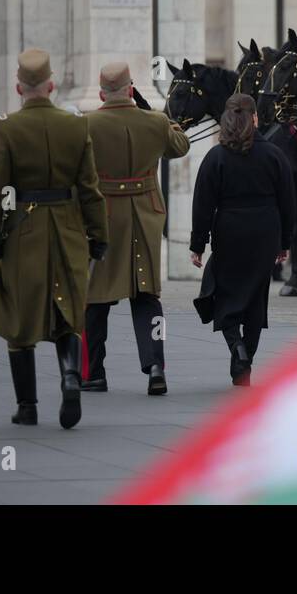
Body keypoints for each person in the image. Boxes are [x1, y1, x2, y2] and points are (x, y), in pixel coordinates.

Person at [0, 48, 108, 429]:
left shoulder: (6, 127)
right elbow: (90, 189)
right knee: (66, 315)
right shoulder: (76, 126)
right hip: (67, 230)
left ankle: (27, 406)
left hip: (23, 233)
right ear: (51, 85)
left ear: (18, 87)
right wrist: (99, 236)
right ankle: (68, 376)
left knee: (20, 321)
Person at [81, 62, 190, 395]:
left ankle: (94, 373)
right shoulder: (154, 122)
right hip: (145, 215)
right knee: (146, 296)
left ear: (101, 93)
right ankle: (155, 366)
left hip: (106, 216)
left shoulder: (86, 124)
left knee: (96, 299)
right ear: (131, 89)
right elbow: (180, 145)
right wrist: (161, 120)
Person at [190, 93, 296, 386]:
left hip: (229, 230)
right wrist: (285, 242)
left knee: (225, 293)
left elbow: (202, 203)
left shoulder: (216, 157)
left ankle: (236, 347)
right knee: (254, 298)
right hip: (265, 232)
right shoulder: (274, 155)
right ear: (256, 118)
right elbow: (288, 203)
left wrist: (197, 244)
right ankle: (245, 364)